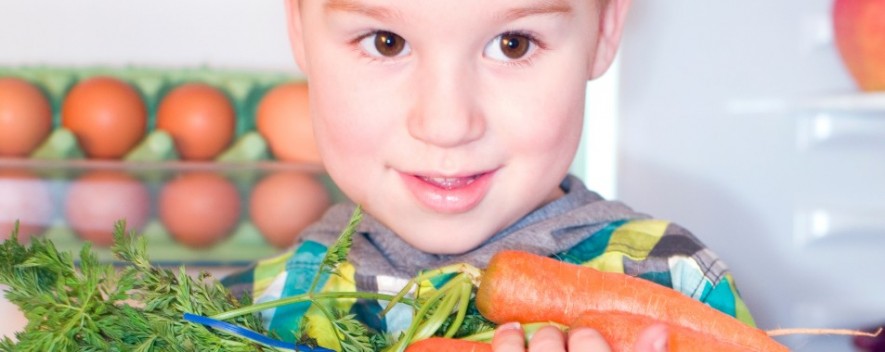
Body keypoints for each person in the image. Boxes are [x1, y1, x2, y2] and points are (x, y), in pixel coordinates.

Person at [223, 0, 755, 350]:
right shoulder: (248, 311)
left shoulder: (676, 285)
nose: (447, 124)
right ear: (298, 27)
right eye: (387, 41)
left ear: (604, 31)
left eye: (512, 44)